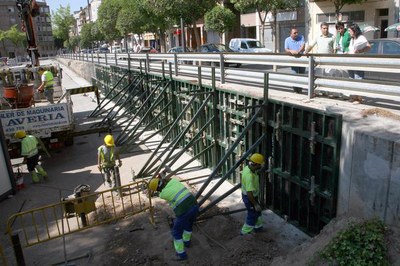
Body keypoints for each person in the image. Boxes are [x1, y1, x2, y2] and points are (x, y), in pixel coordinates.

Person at [148, 170, 199, 261]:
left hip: (184, 211)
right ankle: (187, 242)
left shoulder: (162, 194)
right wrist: (162, 176)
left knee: (176, 232)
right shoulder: (174, 181)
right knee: (188, 225)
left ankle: (181, 255)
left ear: (157, 189)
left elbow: (161, 192)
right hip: (195, 206)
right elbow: (167, 181)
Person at [240, 153, 264, 235]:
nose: (261, 166)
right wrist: (255, 204)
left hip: (252, 196)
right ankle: (245, 232)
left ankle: (258, 227)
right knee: (252, 214)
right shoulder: (249, 176)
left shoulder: (248, 167)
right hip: (249, 198)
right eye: (260, 165)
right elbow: (249, 193)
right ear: (256, 164)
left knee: (258, 212)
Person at [285, 26, 305, 93]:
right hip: (293, 60)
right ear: (290, 34)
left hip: (302, 59)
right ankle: (295, 90)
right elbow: (286, 49)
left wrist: (298, 51)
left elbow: (303, 46)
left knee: (302, 75)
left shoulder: (301, 37)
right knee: (295, 74)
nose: (296, 34)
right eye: (295, 33)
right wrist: (291, 51)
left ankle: (300, 90)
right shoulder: (287, 40)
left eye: (297, 32)